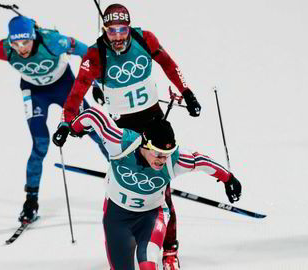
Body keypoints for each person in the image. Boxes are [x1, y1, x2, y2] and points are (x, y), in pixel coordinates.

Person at [55, 4, 202, 268]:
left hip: (154, 122)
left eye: (123, 30)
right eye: (112, 31)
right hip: (124, 130)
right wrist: (67, 122)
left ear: (129, 27)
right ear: (105, 30)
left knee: (161, 188)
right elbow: (77, 91)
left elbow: (169, 64)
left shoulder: (145, 38)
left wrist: (187, 92)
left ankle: (169, 251)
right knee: (125, 177)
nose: (118, 36)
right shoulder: (96, 54)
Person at [53, 107, 242, 270]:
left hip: (151, 216)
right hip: (116, 217)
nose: (162, 160)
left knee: (148, 263)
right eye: (159, 154)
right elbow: (94, 115)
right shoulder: (120, 143)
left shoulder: (174, 161)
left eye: (167, 154)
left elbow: (200, 161)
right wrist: (72, 127)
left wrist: (229, 179)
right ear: (145, 144)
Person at [0, 15, 109, 224]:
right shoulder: (6, 48)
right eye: (16, 43)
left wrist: (97, 84)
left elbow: (87, 53)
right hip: (34, 92)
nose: (21, 48)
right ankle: (31, 201)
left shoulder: (53, 41)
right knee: (40, 144)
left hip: (64, 87)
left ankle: (122, 169)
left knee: (91, 129)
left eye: (25, 42)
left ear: (34, 36)